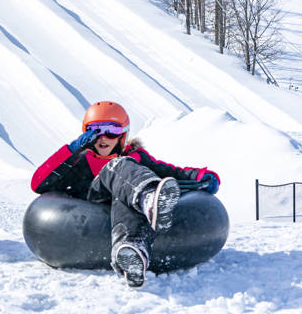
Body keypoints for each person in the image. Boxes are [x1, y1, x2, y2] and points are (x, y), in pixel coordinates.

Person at [30, 101, 220, 288]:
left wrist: (199, 176)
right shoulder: (80, 162)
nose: (103, 138)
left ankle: (133, 252)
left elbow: (169, 172)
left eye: (111, 131)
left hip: (124, 207)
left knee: (124, 185)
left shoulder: (136, 157)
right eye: (95, 131)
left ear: (122, 134)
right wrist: (72, 150)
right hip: (94, 207)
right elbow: (38, 183)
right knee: (117, 165)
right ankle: (148, 199)